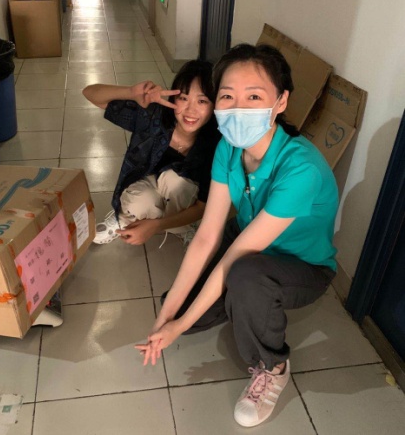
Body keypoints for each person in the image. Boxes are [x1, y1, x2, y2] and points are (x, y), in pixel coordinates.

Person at [135, 43, 339, 427]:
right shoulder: (228, 148)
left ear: (280, 102)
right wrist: (168, 316)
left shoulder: (301, 168)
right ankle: (241, 305)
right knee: (181, 306)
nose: (238, 108)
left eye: (254, 97)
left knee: (244, 277)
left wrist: (179, 324)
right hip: (245, 243)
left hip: (300, 264)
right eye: (228, 96)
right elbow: (207, 236)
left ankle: (272, 365)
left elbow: (234, 258)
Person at [82, 60, 221, 246]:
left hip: (182, 196)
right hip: (145, 186)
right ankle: (124, 217)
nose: (190, 110)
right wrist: (131, 92)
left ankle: (183, 227)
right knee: (139, 202)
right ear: (173, 98)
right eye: (183, 98)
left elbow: (202, 206)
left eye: (202, 101)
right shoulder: (154, 115)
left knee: (175, 180)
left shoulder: (216, 144)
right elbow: (90, 93)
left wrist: (156, 226)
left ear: (214, 106)